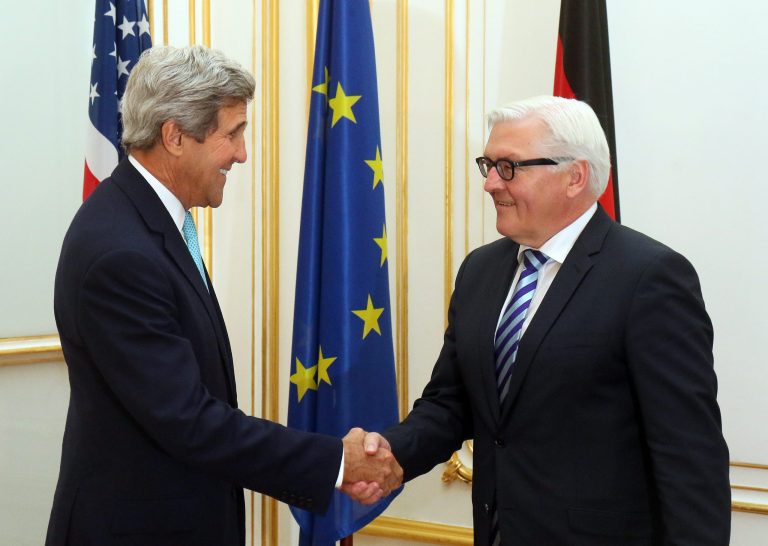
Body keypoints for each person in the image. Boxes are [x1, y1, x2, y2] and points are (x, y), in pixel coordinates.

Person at [46, 45, 400, 546]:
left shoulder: (148, 222)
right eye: (231, 133)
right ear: (174, 136)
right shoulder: (120, 253)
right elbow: (189, 421)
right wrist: (337, 462)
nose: (242, 153)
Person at [362, 95, 730, 545]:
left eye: (509, 167)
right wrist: (392, 452)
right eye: (489, 165)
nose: (491, 183)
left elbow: (688, 454)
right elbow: (451, 402)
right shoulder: (480, 271)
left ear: (574, 176)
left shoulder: (648, 277)